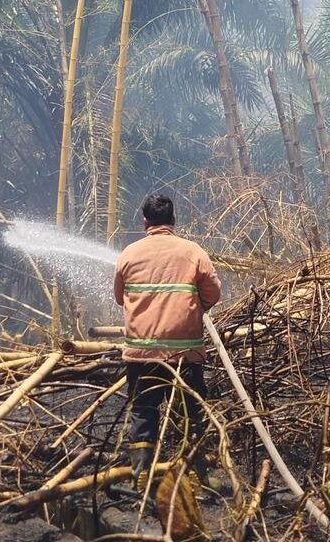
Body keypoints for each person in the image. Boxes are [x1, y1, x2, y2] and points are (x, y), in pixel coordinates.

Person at [114, 193, 221, 488]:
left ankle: (143, 477)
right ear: (173, 221)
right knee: (189, 413)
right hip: (185, 355)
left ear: (145, 221)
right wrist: (194, 306)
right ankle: (196, 479)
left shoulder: (128, 254)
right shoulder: (193, 252)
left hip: (141, 355)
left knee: (143, 411)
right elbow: (212, 293)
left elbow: (120, 298)